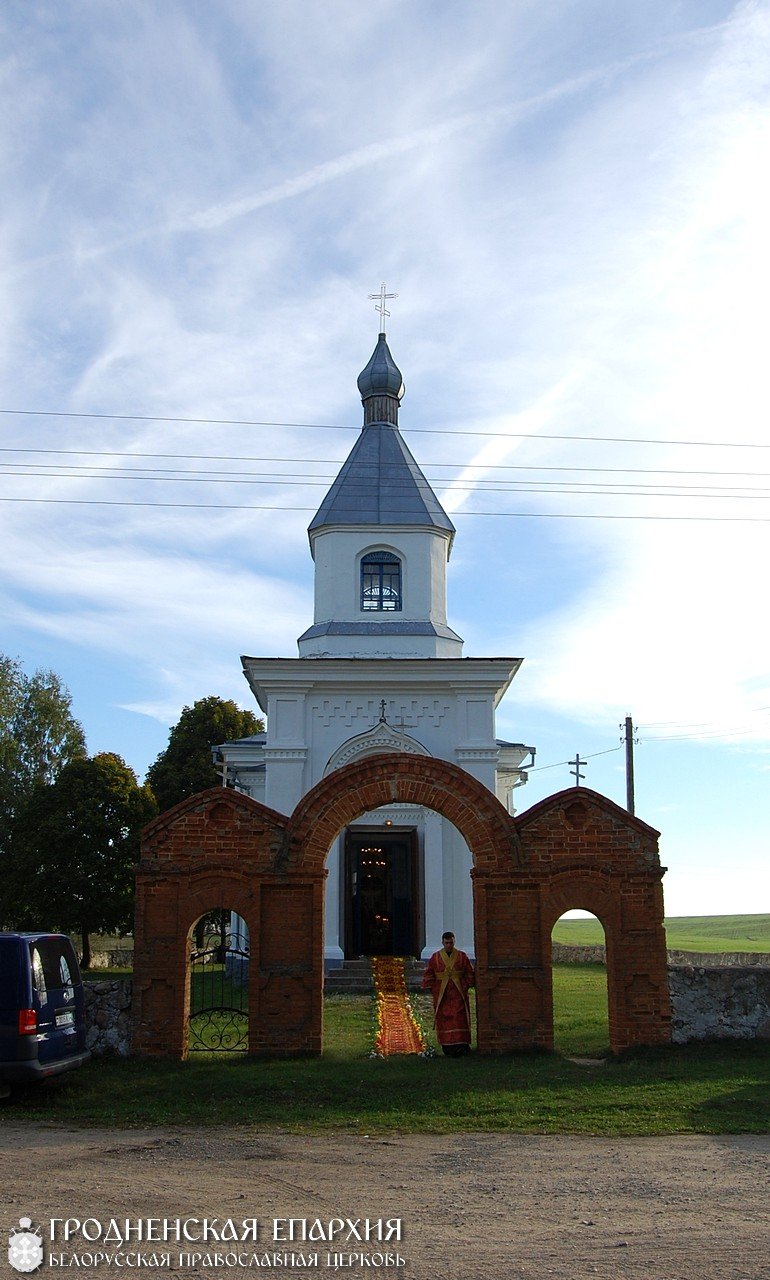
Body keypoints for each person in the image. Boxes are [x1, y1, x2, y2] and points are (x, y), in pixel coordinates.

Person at [422, 931, 475, 1056]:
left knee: (459, 1017)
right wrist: (433, 988)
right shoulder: (435, 957)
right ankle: (447, 1046)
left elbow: (469, 972)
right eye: (447, 943)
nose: (449, 945)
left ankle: (462, 1044)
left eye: (451, 942)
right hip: (442, 994)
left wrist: (466, 985)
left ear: (454, 942)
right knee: (444, 1018)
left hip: (458, 993)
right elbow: (429, 974)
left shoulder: (462, 956)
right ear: (442, 943)